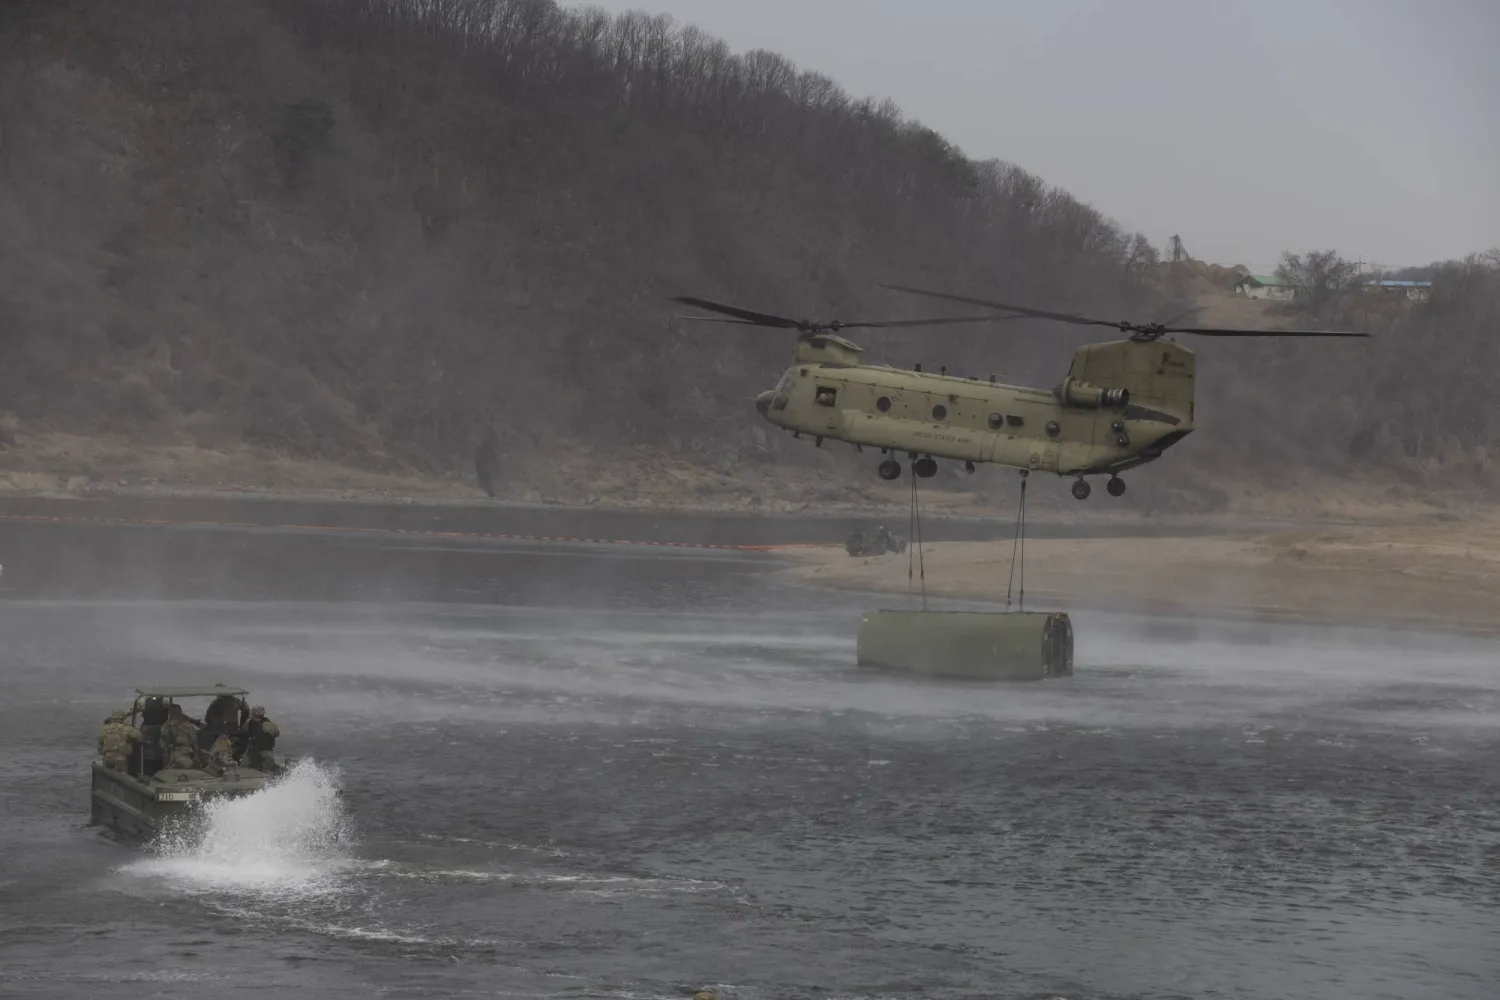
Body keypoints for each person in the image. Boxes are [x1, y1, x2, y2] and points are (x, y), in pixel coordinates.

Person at [240, 705, 280, 772]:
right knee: (266, 771)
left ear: (252, 714)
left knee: (257, 770)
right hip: (266, 752)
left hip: (257, 752)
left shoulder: (250, 723)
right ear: (263, 713)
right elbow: (276, 733)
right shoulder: (267, 722)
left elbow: (243, 732)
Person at [161, 703, 200, 771]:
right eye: (173, 713)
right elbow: (163, 739)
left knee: (187, 764)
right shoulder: (167, 726)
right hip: (172, 752)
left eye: (176, 713)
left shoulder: (188, 726)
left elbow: (194, 743)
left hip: (185, 752)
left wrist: (196, 756)